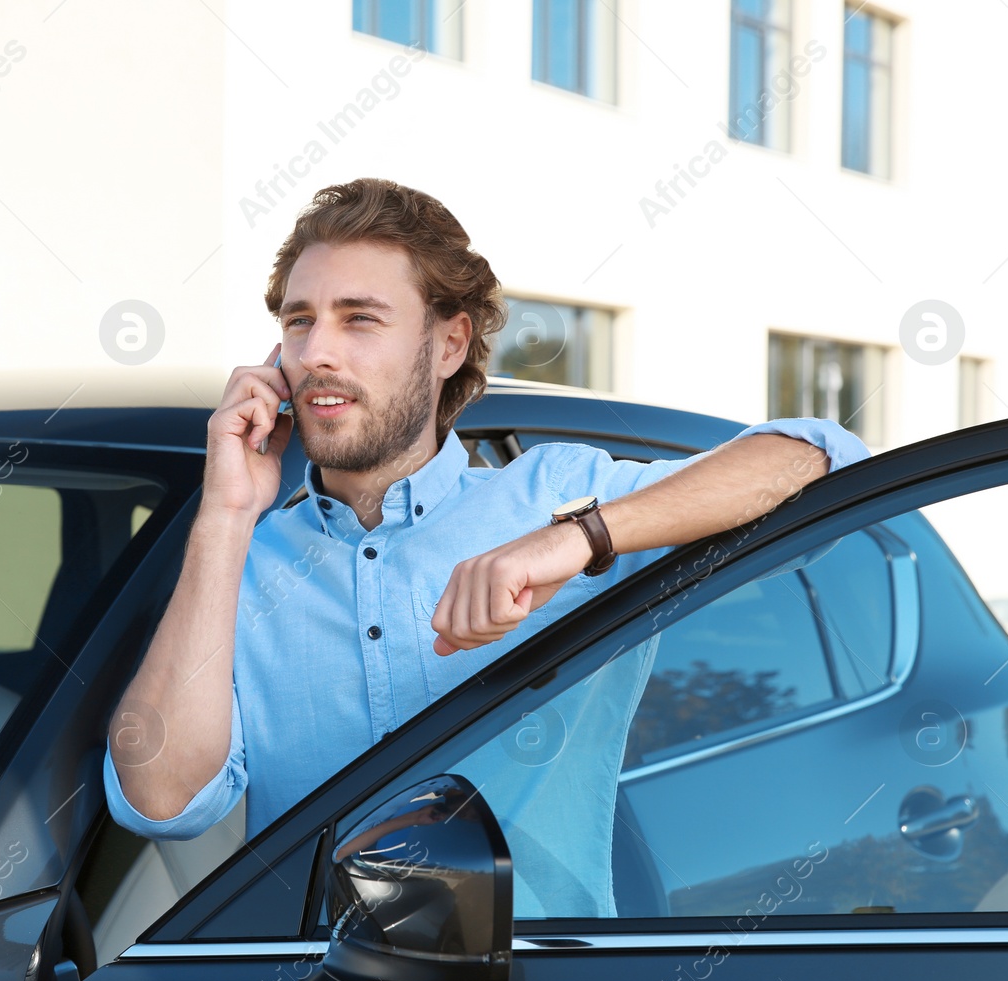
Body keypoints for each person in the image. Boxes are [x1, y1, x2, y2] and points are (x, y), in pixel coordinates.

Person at [103, 178, 870, 850]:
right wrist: (226, 515)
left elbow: (821, 456)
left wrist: (578, 539)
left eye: (359, 318)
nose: (315, 353)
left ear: (448, 344)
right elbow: (160, 803)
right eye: (299, 322)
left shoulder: (554, 494)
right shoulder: (244, 563)